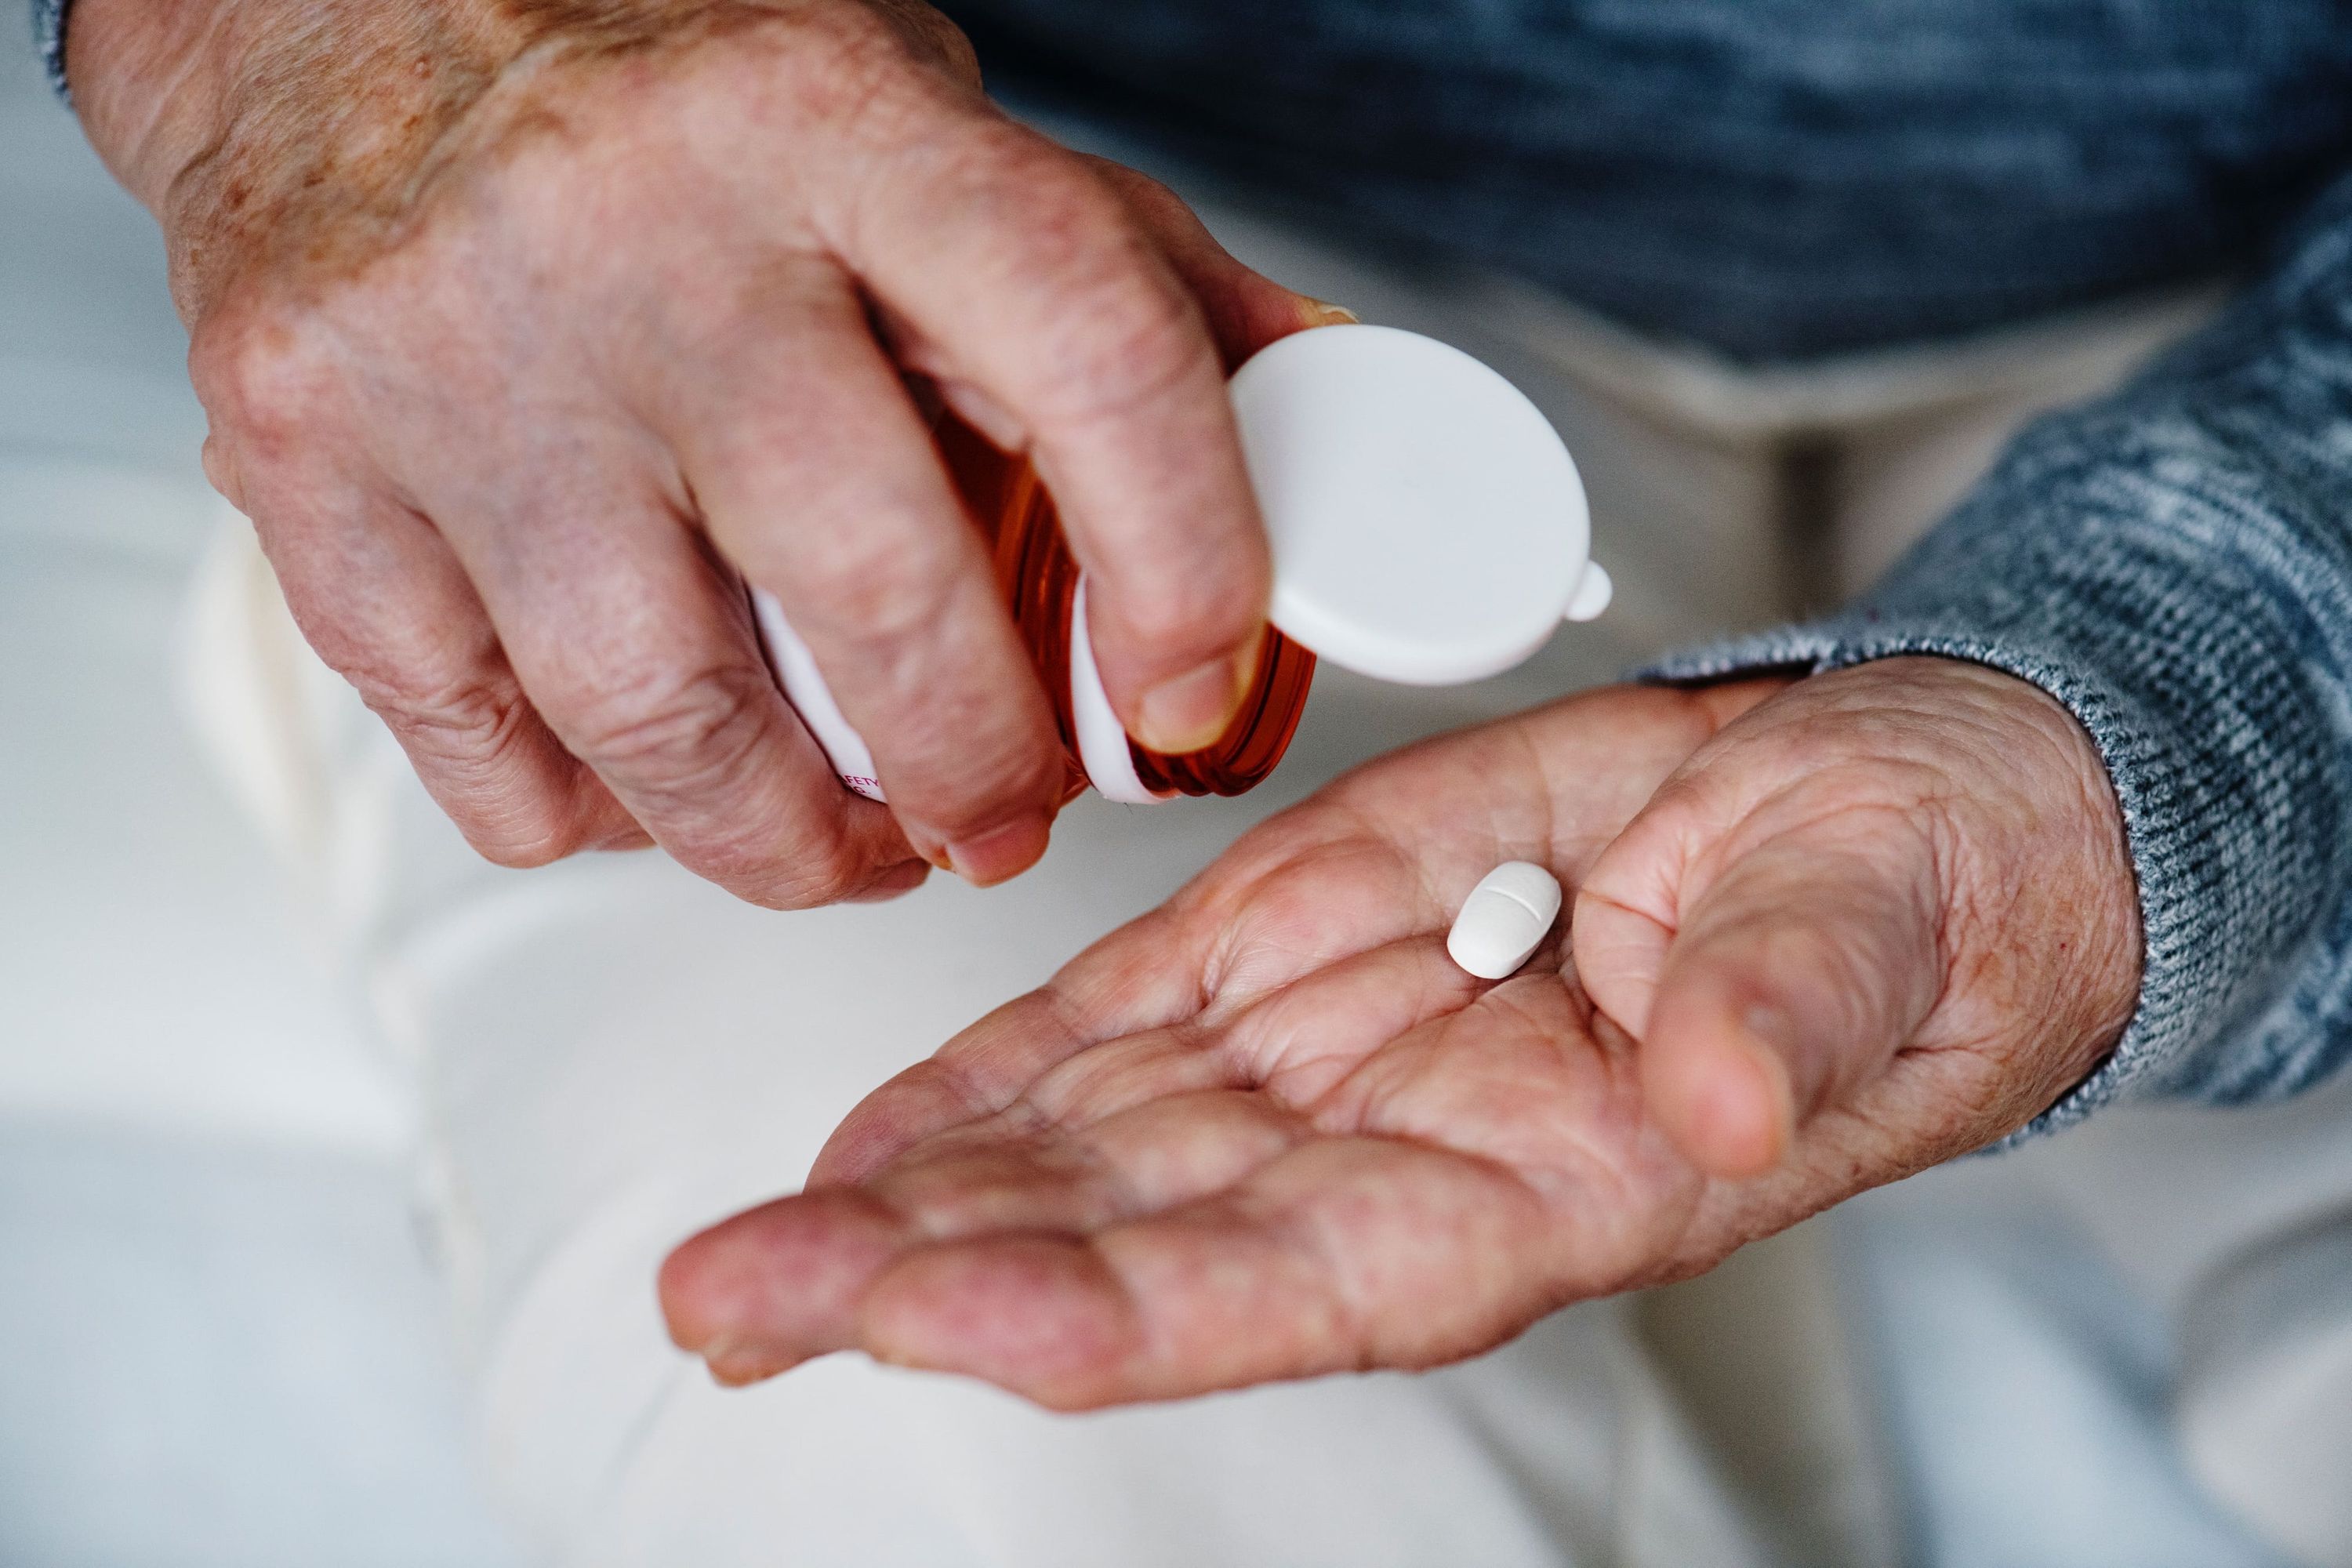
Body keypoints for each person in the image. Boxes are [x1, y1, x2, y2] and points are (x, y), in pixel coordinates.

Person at [38, 0, 2352, 1560]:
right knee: (935, 1418)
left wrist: (2192, 663)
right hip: (990, 234)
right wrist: (320, 55)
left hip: (2276, 310)